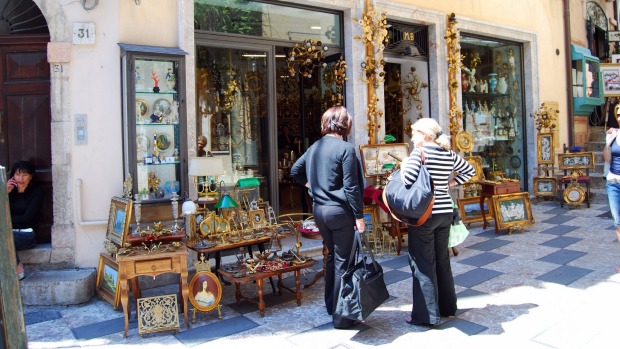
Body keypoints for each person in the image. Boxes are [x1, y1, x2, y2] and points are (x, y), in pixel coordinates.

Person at [290, 106, 366, 329]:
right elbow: (351, 186)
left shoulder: (315, 147)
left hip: (319, 211)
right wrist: (359, 216)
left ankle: (331, 304)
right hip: (340, 211)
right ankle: (342, 316)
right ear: (345, 125)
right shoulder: (346, 149)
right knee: (343, 260)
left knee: (333, 257)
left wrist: (313, 185)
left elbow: (295, 170)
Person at [400, 118, 475, 326]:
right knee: (442, 260)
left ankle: (426, 316)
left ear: (424, 135)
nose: (412, 137)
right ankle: (448, 307)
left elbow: (408, 181)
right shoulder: (448, 154)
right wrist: (448, 183)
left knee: (422, 263)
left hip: (425, 214)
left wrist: (404, 165)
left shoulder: (419, 153)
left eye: (415, 133)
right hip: (444, 213)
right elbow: (470, 171)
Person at [6, 161, 43, 280]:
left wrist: (6, 222)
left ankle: (18, 268)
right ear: (12, 176)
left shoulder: (36, 192)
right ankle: (18, 267)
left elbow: (26, 218)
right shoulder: (9, 192)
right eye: (17, 175)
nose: (21, 178)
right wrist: (4, 194)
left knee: (3, 236)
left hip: (27, 234)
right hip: (9, 232)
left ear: (31, 177)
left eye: (25, 175)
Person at [604, 106, 620, 272]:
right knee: (618, 222)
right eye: (618, 114)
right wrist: (608, 142)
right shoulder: (614, 135)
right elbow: (607, 158)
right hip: (613, 182)